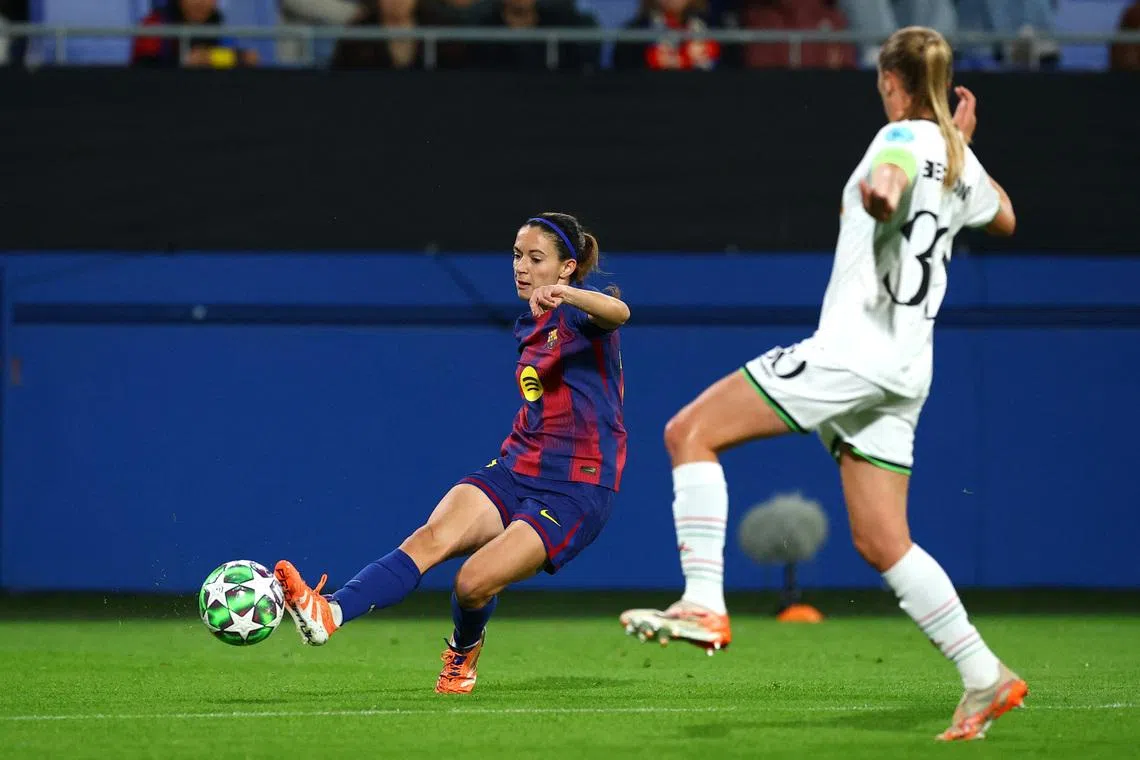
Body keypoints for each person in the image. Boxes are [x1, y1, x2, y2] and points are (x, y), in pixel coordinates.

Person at [619, 26, 1026, 742]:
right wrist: (964, 147)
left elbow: (892, 181)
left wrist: (882, 192)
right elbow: (1006, 216)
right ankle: (984, 674)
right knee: (882, 541)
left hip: (854, 352)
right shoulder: (959, 158)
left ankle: (705, 601)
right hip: (907, 370)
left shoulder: (897, 136)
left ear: (891, 80)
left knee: (689, 433)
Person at [276, 212, 629, 695]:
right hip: (515, 466)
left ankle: (463, 655)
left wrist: (567, 295)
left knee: (471, 583)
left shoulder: (579, 315)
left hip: (576, 488)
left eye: (536, 258)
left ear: (567, 267)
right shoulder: (531, 321)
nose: (521, 267)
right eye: (516, 255)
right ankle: (329, 613)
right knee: (430, 537)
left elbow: (620, 314)